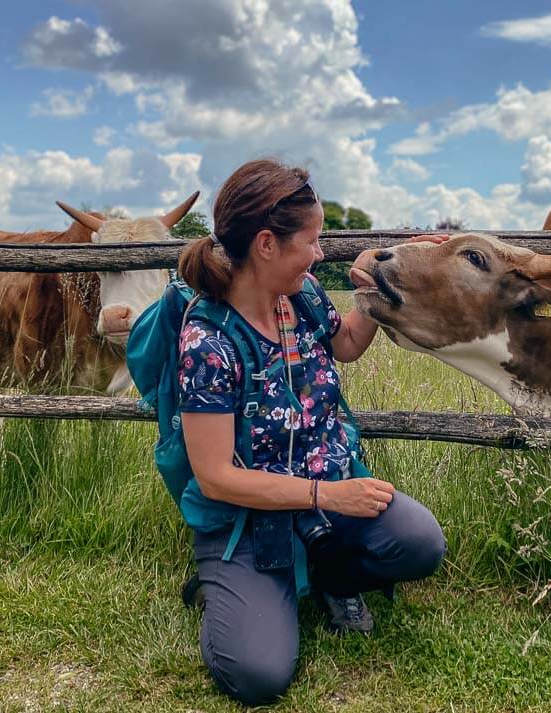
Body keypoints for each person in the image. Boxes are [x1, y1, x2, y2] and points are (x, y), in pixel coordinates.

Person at [175, 158, 446, 706]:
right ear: (268, 244)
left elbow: (345, 342)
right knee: (258, 675)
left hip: (331, 499)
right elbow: (215, 478)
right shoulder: (208, 343)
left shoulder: (301, 297)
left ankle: (331, 578)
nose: (322, 253)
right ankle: (225, 587)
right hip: (250, 522)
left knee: (421, 543)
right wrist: (329, 493)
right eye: (314, 240)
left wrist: (373, 282)